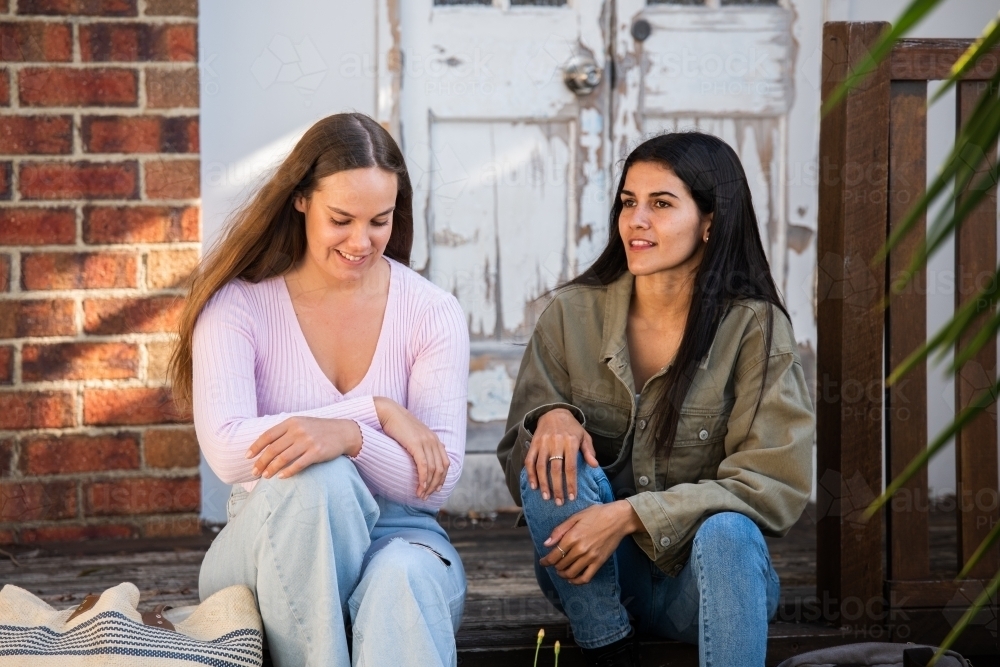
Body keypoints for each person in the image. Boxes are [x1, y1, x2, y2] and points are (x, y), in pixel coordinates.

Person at [497, 132, 814, 667]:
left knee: (730, 530)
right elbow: (521, 474)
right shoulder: (570, 315)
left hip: (705, 588)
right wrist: (550, 416)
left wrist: (629, 515)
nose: (636, 220)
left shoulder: (754, 328)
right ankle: (607, 649)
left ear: (711, 221)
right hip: (592, 582)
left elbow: (772, 487)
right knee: (554, 453)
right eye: (628, 202)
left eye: (661, 204)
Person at [169, 113, 469, 667]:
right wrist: (372, 414)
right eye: (342, 219)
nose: (362, 241)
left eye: (380, 221)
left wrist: (352, 437)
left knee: (401, 578)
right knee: (317, 479)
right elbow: (231, 450)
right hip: (268, 547)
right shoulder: (237, 306)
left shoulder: (431, 312)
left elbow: (435, 483)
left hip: (400, 537)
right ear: (301, 199)